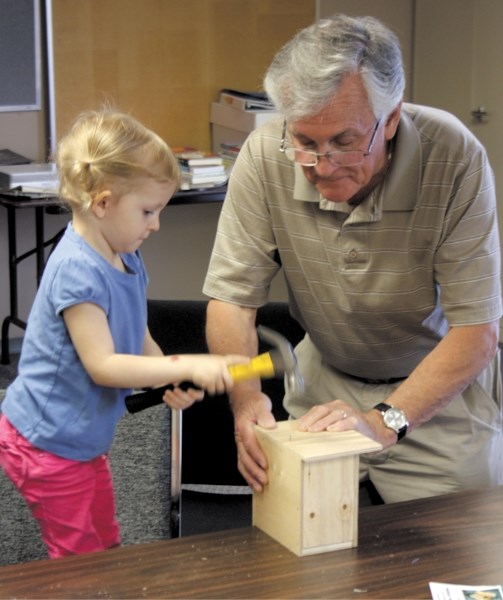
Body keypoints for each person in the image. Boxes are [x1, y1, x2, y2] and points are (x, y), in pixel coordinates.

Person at [203, 14, 503, 504]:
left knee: (457, 560)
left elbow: (478, 333)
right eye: (305, 142)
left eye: (344, 141)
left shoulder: (453, 156)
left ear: (390, 119)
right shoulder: (263, 154)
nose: (322, 166)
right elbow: (231, 304)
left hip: (436, 391)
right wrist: (246, 397)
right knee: (302, 554)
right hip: (323, 380)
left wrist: (384, 422)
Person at [0, 108, 248, 558]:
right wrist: (189, 363)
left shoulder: (126, 254)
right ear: (102, 203)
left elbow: (137, 337)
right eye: (148, 211)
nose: (155, 224)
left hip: (82, 437)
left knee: (105, 540)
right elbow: (103, 365)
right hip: (46, 441)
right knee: (77, 556)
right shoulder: (76, 272)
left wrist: (165, 374)